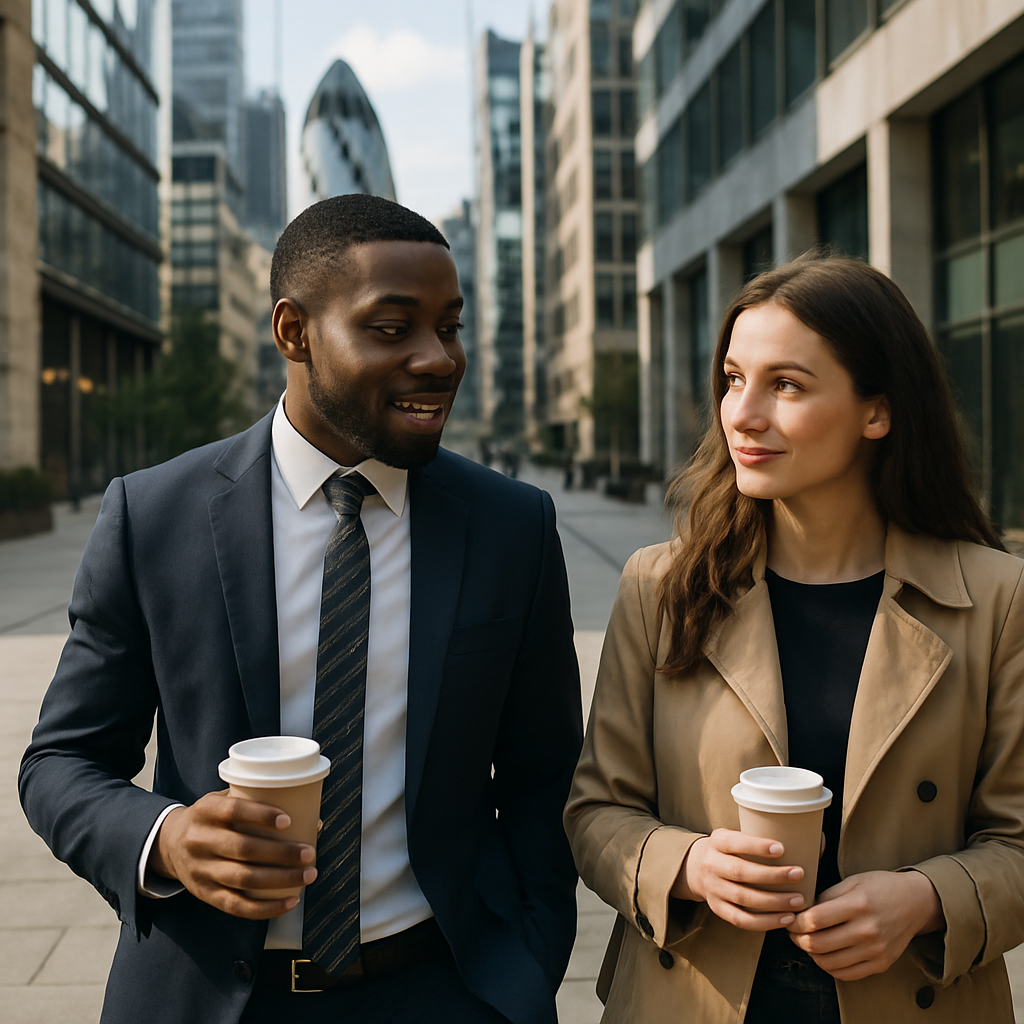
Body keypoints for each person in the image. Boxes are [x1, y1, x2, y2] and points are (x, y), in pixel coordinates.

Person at [20, 195, 583, 1024]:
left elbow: (546, 779)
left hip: (445, 991)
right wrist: (167, 838)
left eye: (449, 328)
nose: (438, 359)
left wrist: (528, 966)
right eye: (393, 329)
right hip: (208, 997)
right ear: (294, 332)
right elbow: (61, 762)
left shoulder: (513, 527)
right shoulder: (153, 516)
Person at [564, 255, 1024, 1024]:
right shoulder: (662, 587)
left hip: (910, 995)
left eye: (786, 385)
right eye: (734, 379)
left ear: (877, 411)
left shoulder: (997, 599)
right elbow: (596, 811)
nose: (742, 415)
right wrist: (690, 866)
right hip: (694, 997)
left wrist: (925, 898)